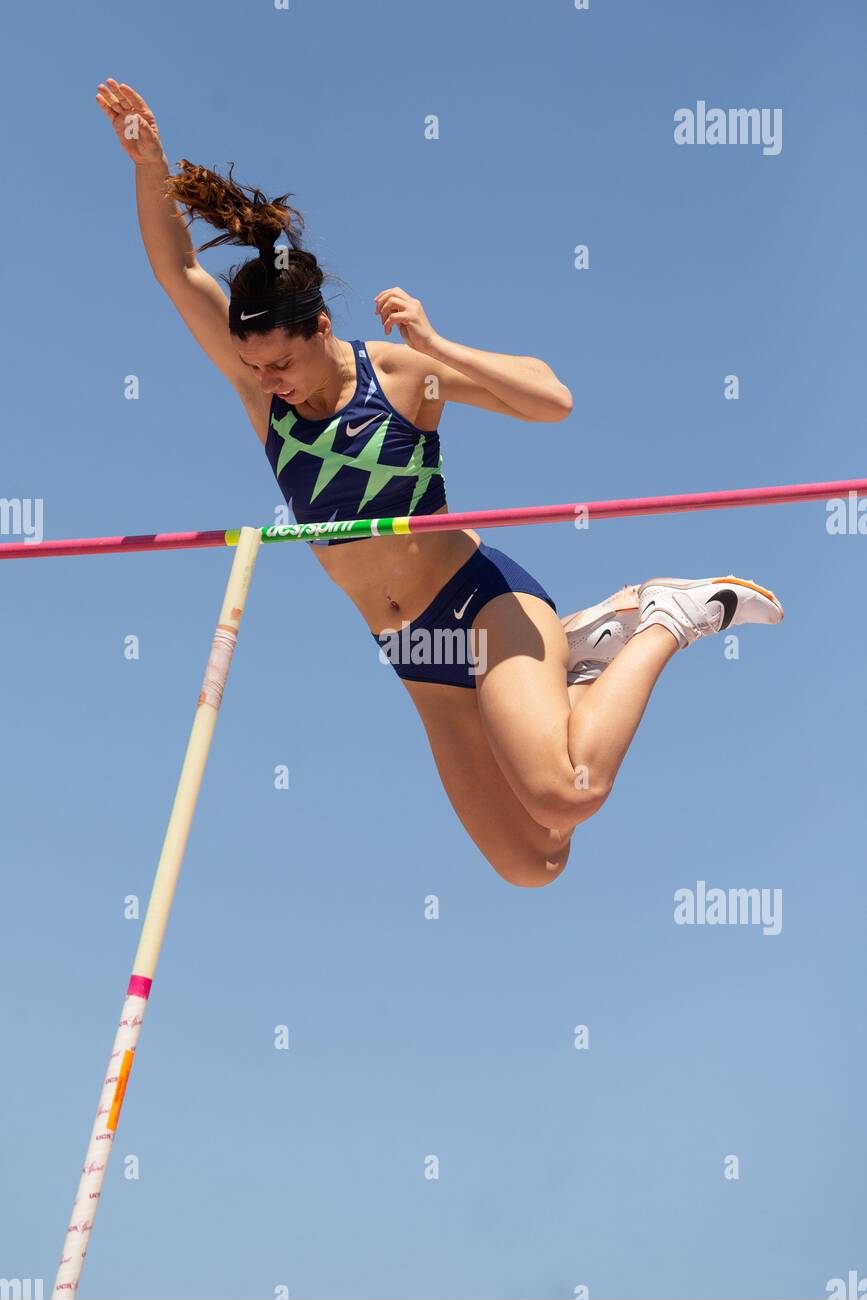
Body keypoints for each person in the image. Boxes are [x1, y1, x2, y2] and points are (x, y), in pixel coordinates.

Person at [96, 78, 783, 888]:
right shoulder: (263, 397)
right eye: (255, 366)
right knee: (537, 861)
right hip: (412, 650)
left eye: (280, 360)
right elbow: (178, 272)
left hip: (477, 599)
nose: (269, 379)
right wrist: (149, 163)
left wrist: (440, 343)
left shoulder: (397, 374)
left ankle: (667, 616)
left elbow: (551, 400)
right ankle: (576, 652)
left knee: (567, 794)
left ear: (322, 326)